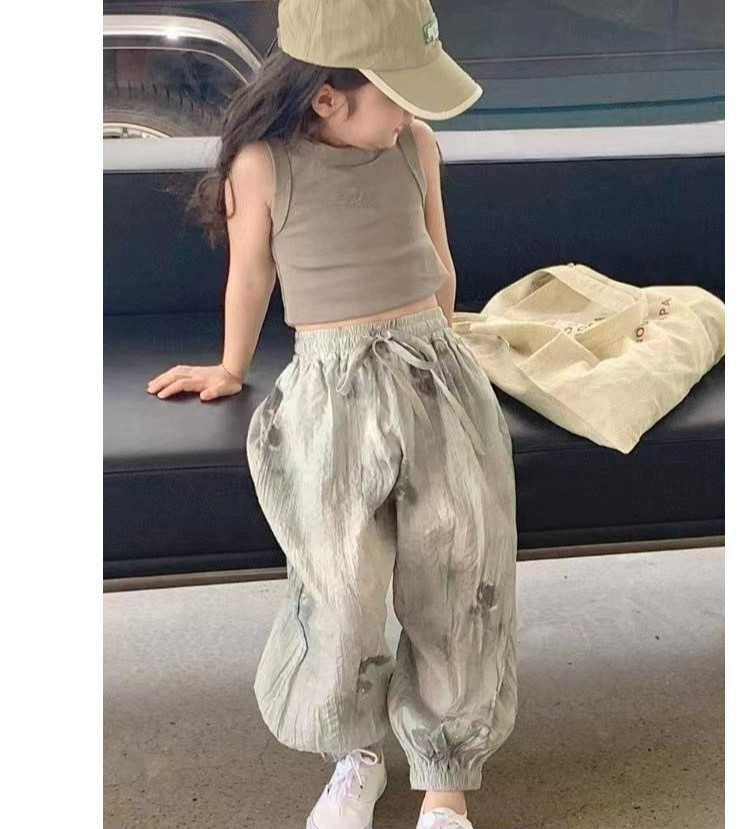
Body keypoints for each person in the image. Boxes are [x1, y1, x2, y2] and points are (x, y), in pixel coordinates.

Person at [146, 2, 518, 827]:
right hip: (331, 391)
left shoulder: (415, 146)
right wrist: (231, 367)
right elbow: (251, 275)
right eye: (395, 95)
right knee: (340, 585)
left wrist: (448, 354)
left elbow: (440, 261)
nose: (409, 114)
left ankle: (445, 777)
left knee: (457, 571)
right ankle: (355, 751)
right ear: (325, 97)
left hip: (436, 378)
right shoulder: (262, 165)